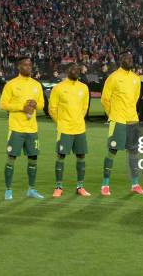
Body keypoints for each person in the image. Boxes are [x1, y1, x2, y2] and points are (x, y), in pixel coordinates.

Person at [100, 51, 143, 196]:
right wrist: (113, 115)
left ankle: (135, 184)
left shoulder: (136, 79)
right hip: (118, 120)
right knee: (112, 151)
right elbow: (105, 99)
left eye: (131, 58)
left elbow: (136, 97)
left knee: (133, 152)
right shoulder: (113, 77)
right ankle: (105, 185)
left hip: (132, 119)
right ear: (121, 60)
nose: (129, 60)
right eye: (126, 58)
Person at [0, 56, 45, 200]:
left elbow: (42, 105)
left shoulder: (36, 85)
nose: (29, 67)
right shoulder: (11, 84)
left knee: (33, 158)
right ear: (19, 67)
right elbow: (3, 105)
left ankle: (31, 189)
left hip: (32, 129)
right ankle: (8, 190)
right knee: (11, 158)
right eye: (25, 65)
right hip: (16, 128)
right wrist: (22, 107)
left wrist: (35, 104)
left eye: (30, 65)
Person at [49, 63, 91, 197]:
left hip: (79, 128)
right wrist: (60, 122)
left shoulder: (84, 88)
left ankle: (80, 187)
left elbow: (85, 107)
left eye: (78, 69)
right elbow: (52, 109)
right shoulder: (59, 88)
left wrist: (77, 119)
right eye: (73, 69)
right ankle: (59, 187)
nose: (76, 71)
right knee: (61, 155)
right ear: (67, 71)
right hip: (64, 128)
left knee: (81, 155)